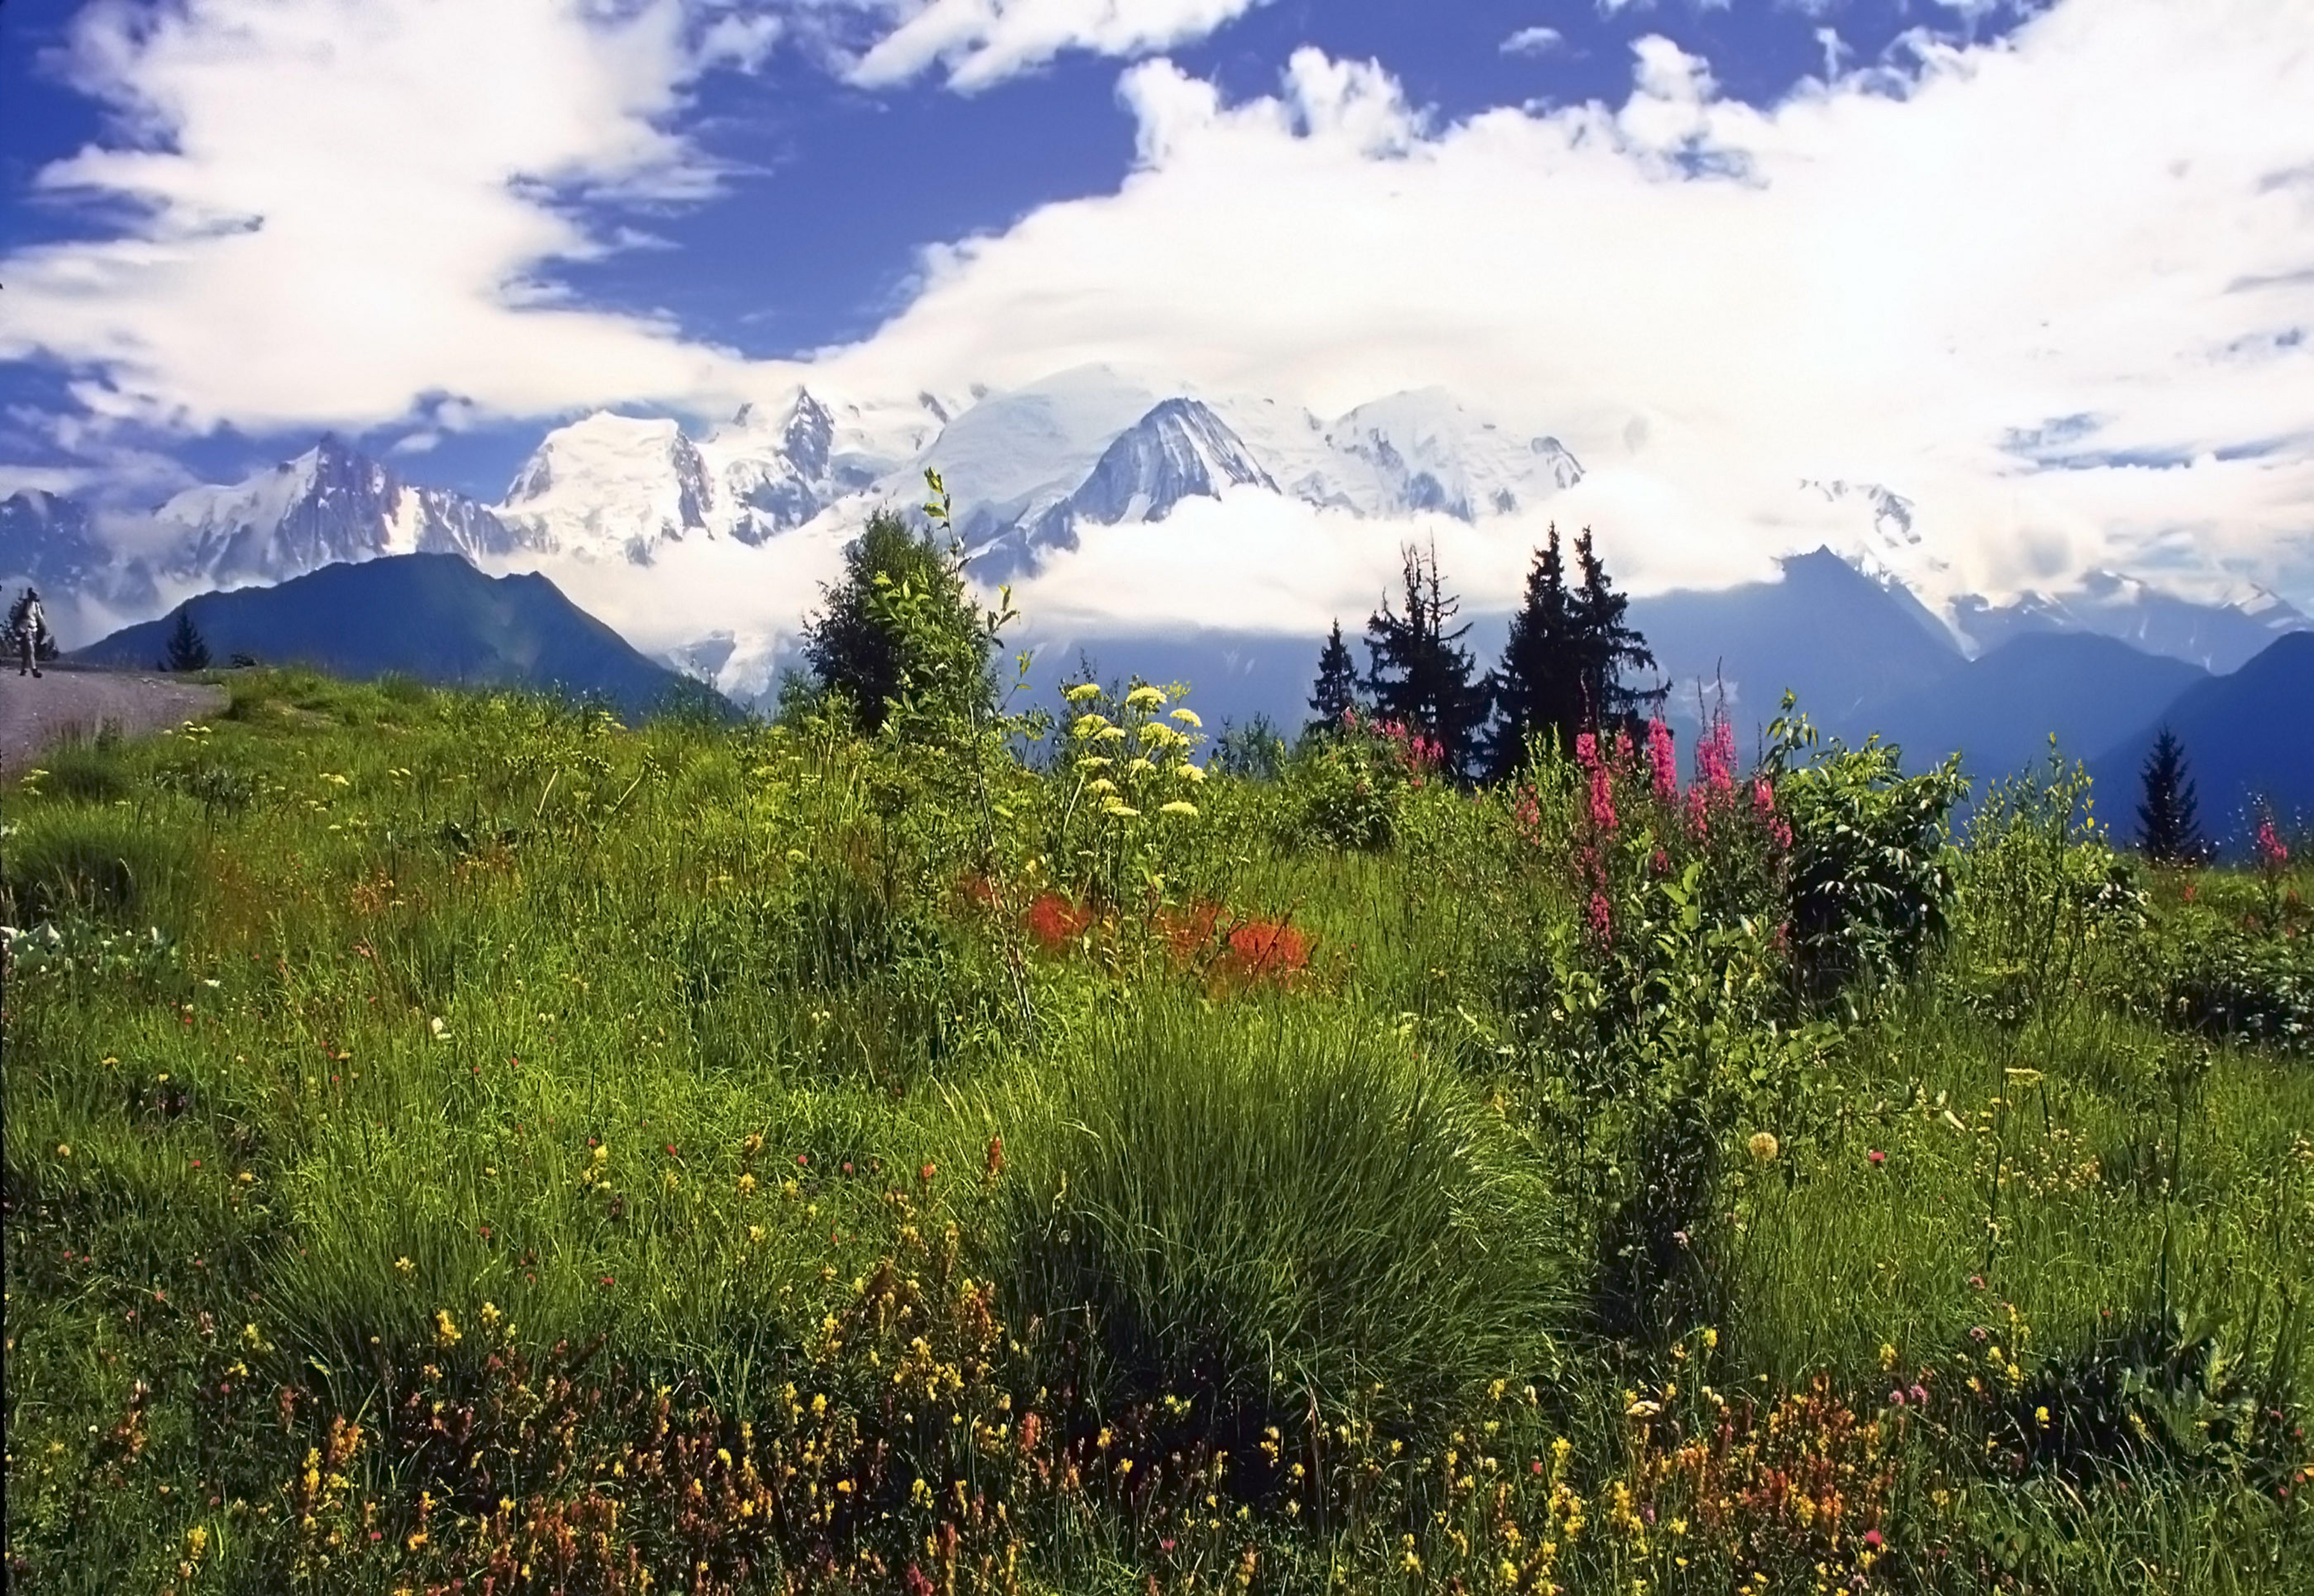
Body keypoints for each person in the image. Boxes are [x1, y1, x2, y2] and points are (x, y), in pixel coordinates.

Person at [12, 586, 48, 677]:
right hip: (24, 628)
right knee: (31, 649)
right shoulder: (24, 604)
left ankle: (24, 670)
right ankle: (34, 670)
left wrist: (45, 626)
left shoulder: (36, 606)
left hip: (33, 628)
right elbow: (17, 615)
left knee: (26, 651)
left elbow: (39, 617)